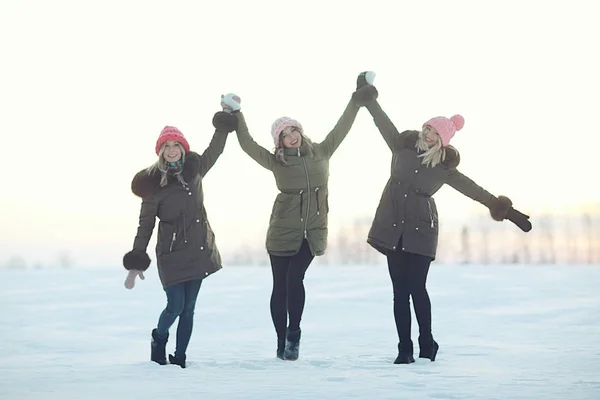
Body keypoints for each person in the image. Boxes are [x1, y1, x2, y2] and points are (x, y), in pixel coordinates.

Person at [358, 72, 532, 365]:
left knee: (416, 287)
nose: (426, 135)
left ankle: (427, 341)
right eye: (426, 128)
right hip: (392, 227)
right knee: (399, 292)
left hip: (421, 231)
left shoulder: (444, 168)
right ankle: (404, 349)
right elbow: (381, 120)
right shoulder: (401, 145)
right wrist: (367, 92)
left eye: (432, 133)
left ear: (443, 140)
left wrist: (507, 212)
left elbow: (474, 190)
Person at [221, 80, 379, 361]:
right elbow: (247, 143)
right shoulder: (276, 161)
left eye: (294, 130)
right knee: (279, 286)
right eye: (285, 134)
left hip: (312, 231)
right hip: (282, 230)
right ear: (279, 142)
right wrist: (237, 114)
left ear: (301, 132)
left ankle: (294, 333)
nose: (291, 136)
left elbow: (342, 126)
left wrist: (357, 99)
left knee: (296, 277)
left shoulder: (321, 151)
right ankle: (282, 343)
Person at [121, 106, 238, 368]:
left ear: (183, 148)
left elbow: (215, 149)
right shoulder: (153, 185)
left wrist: (225, 121)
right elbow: (145, 226)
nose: (172, 149)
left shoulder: (194, 171)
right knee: (175, 306)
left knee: (189, 309)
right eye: (167, 146)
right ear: (160, 151)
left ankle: (180, 358)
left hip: (198, 251)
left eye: (176, 144)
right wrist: (137, 261)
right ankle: (159, 338)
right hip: (172, 256)